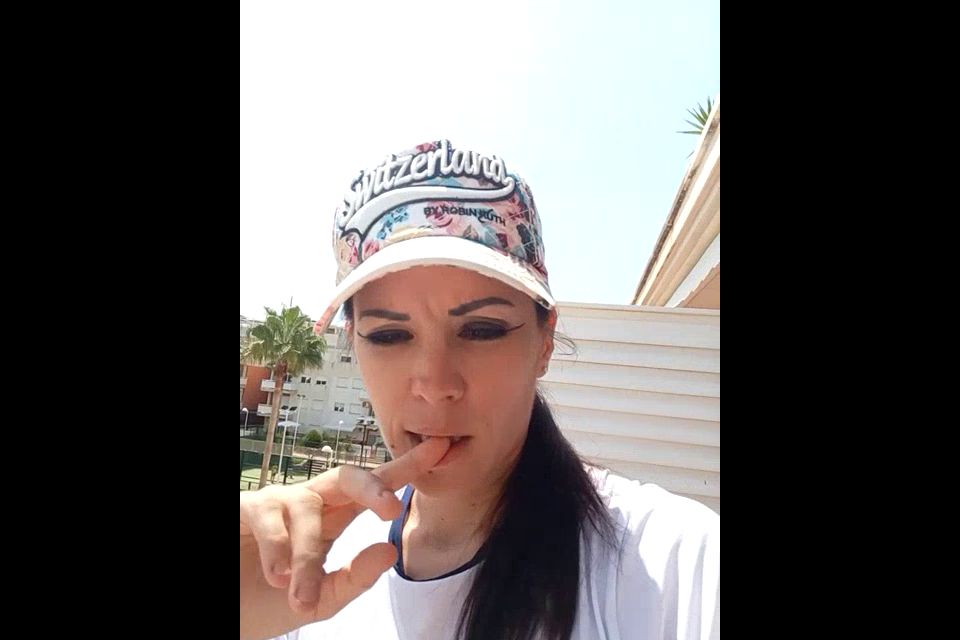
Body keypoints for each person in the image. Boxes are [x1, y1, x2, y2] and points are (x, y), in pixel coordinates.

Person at [240, 139, 720, 640]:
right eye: (389, 335)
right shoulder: (312, 569)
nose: (435, 386)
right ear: (354, 344)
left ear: (544, 342)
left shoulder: (677, 568)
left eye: (482, 330)